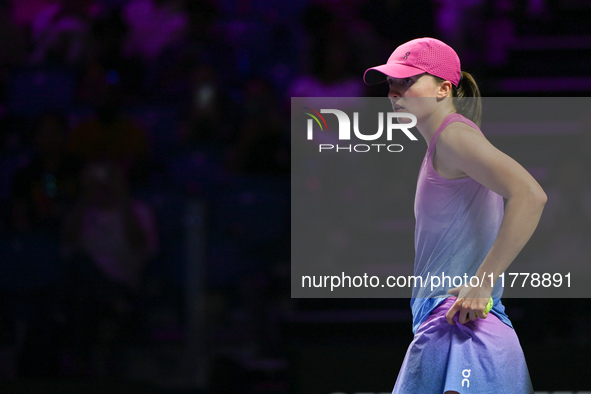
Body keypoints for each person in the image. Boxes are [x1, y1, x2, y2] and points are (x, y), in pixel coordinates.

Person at [363, 37, 546, 393]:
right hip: (450, 325)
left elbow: (530, 195)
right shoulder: (444, 145)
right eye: (391, 83)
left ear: (444, 87)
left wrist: (483, 281)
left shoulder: (455, 137)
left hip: (462, 328)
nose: (394, 92)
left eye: (408, 81)